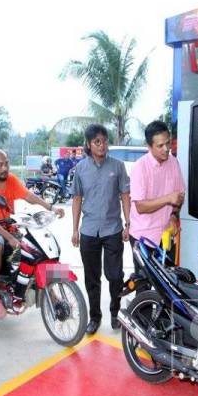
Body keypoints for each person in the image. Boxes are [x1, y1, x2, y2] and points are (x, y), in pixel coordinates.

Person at [0, 149, 64, 318]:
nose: (4, 167)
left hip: (7, 225)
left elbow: (28, 196)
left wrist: (51, 207)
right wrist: (8, 237)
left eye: (6, 163)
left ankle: (44, 291)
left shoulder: (11, 180)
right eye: (0, 164)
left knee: (34, 248)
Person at [71, 124, 130, 334]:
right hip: (88, 231)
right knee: (91, 278)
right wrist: (75, 229)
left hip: (113, 229)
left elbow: (125, 195)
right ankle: (95, 317)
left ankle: (116, 313)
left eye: (105, 141)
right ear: (89, 144)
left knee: (115, 276)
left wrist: (128, 223)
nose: (102, 145)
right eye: (97, 142)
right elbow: (77, 198)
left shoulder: (118, 166)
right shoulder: (81, 168)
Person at [129, 121, 185, 273]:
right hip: (143, 237)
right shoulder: (140, 168)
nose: (166, 149)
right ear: (149, 146)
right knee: (143, 285)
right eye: (160, 146)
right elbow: (140, 207)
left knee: (170, 283)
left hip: (166, 234)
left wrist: (174, 214)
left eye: (168, 143)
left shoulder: (173, 162)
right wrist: (168, 198)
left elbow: (179, 196)